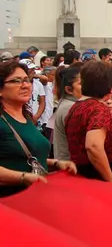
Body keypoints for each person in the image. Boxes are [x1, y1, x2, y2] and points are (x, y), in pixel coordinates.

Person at [0, 60, 76, 195]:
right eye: (16, 81)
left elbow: (22, 156)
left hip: (35, 196)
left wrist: (56, 163)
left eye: (26, 80)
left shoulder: (26, 117)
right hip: (10, 200)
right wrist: (23, 177)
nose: (25, 85)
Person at [65, 61, 112, 184]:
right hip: (99, 179)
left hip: (85, 175)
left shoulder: (76, 107)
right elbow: (93, 146)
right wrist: (111, 180)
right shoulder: (98, 109)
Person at [50, 64, 81, 162]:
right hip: (70, 165)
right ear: (69, 90)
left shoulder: (72, 104)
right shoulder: (70, 107)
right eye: (82, 83)